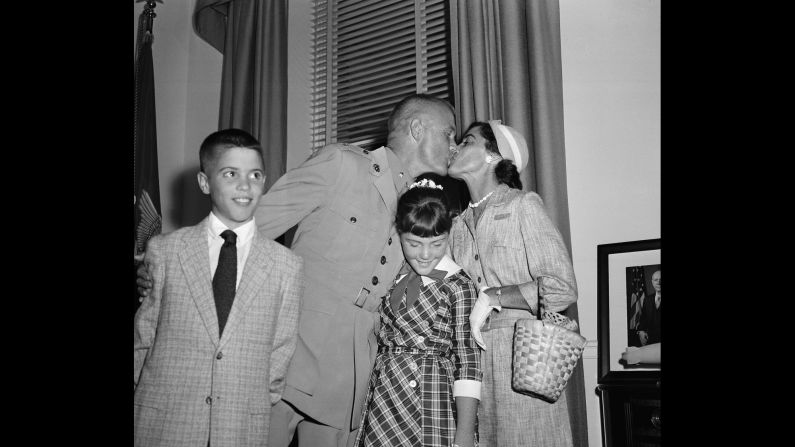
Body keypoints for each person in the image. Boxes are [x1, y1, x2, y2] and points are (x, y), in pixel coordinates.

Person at [137, 94, 458, 447]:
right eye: (449, 134)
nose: (453, 146)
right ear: (417, 128)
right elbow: (250, 226)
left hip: (352, 372)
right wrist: (175, 273)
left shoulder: (420, 205)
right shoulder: (342, 164)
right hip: (293, 350)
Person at [133, 129, 305, 447]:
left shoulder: (287, 265)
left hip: (240, 424)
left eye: (255, 175)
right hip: (164, 421)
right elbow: (144, 337)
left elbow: (281, 349)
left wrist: (254, 399)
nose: (245, 185)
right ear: (204, 182)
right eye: (230, 174)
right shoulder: (166, 250)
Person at [447, 120, 578, 447]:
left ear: (493, 156)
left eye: (467, 141)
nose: (455, 147)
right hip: (473, 365)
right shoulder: (456, 226)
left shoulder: (523, 206)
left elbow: (561, 286)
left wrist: (495, 295)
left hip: (523, 361)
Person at [354, 179, 481, 447]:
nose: (425, 255)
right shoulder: (388, 276)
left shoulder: (458, 284)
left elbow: (468, 362)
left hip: (434, 399)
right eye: (413, 243)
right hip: (386, 396)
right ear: (398, 232)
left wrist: (465, 434)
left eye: (437, 244)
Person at [638, 269, 661, 346]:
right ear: (652, 282)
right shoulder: (647, 299)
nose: (658, 282)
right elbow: (643, 318)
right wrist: (641, 331)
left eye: (660, 279)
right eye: (656, 280)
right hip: (651, 342)